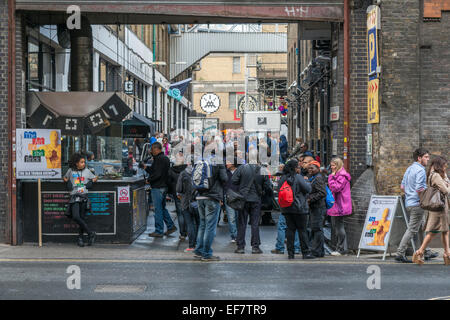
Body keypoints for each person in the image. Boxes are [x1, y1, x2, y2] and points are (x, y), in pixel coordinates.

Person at [396, 148, 435, 263]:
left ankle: (426, 251)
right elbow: (419, 188)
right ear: (419, 158)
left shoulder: (409, 169)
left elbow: (402, 187)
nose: (428, 159)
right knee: (412, 229)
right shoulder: (420, 170)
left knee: (422, 227)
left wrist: (410, 194)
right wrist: (427, 195)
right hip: (417, 204)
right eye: (426, 157)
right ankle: (400, 253)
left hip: (409, 202)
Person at [232, 150, 271, 254]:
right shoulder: (262, 170)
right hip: (256, 200)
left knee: (242, 223)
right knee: (255, 224)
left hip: (243, 199)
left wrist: (242, 185)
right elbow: (268, 186)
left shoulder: (242, 168)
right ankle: (255, 247)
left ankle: (240, 247)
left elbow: (234, 180)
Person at [412, 156, 450, 265]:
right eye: (444, 165)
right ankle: (419, 252)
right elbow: (446, 191)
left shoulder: (437, 174)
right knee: (433, 232)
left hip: (441, 207)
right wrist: (448, 185)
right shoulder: (436, 176)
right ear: (439, 166)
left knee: (446, 230)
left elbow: (446, 183)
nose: (445, 167)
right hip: (439, 209)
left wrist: (446, 177)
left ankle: (447, 254)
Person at [193, 153, 228, 261]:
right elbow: (224, 178)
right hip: (212, 198)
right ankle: (207, 253)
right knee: (210, 227)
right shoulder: (218, 161)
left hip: (200, 197)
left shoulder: (202, 160)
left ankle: (199, 250)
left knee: (202, 225)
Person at [277, 159, 314, 259]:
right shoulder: (298, 177)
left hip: (287, 208)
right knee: (302, 230)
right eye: (298, 167)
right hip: (299, 208)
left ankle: (290, 253)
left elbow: (279, 191)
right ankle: (305, 253)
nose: (299, 168)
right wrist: (306, 181)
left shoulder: (282, 178)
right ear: (294, 168)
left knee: (290, 230)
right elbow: (308, 189)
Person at [141, 142, 177, 238]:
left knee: (158, 209)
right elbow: (154, 171)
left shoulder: (160, 159)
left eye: (152, 149)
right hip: (163, 186)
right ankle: (170, 226)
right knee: (162, 208)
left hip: (158, 187)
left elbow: (157, 174)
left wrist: (149, 180)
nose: (151, 151)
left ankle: (159, 230)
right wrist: (146, 168)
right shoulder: (162, 158)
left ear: (157, 149)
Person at [63, 152, 98, 247]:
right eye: (81, 162)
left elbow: (95, 177)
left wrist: (92, 181)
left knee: (81, 218)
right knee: (76, 217)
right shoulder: (71, 171)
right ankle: (90, 233)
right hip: (74, 196)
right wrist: (68, 181)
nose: (84, 164)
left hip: (83, 197)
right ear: (76, 163)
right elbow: (65, 177)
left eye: (84, 162)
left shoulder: (87, 171)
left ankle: (80, 239)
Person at [327, 157, 352, 256]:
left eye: (333, 165)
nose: (332, 167)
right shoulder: (339, 175)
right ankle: (341, 248)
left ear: (338, 165)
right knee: (337, 226)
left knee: (339, 227)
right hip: (338, 204)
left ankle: (341, 249)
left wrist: (331, 178)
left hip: (340, 205)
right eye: (331, 165)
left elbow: (335, 188)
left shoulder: (341, 176)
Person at [177, 160, 199, 252]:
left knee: (190, 224)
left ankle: (191, 245)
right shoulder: (200, 173)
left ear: (188, 163)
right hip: (198, 202)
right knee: (199, 224)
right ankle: (199, 244)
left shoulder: (183, 173)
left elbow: (179, 189)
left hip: (186, 202)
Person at [307, 160, 327, 257]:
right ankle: (320, 251)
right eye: (309, 167)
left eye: (312, 168)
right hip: (315, 207)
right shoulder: (313, 177)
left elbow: (322, 193)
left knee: (317, 229)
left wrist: (310, 199)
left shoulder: (318, 178)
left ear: (318, 169)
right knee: (316, 229)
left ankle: (315, 251)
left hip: (318, 207)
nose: (310, 169)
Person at [168, 151, 188, 241]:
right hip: (187, 193)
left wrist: (171, 191)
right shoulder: (187, 168)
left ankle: (182, 233)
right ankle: (188, 230)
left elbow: (169, 181)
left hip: (177, 193)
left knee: (180, 213)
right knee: (187, 212)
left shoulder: (172, 169)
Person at [224, 161, 239, 243]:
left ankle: (238, 234)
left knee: (237, 217)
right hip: (228, 197)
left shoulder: (239, 171)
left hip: (238, 197)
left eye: (228, 162)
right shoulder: (225, 172)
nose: (226, 164)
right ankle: (234, 235)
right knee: (231, 218)